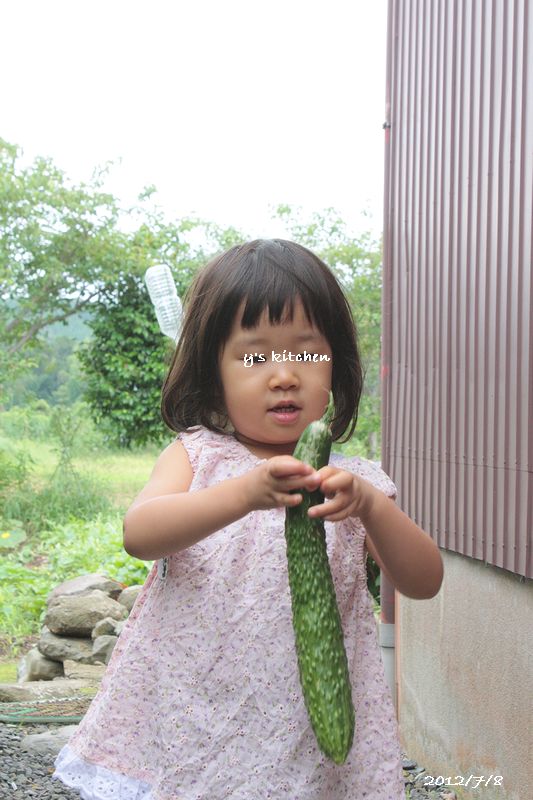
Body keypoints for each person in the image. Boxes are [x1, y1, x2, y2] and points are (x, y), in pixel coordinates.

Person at [53, 238, 443, 799]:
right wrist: (244, 493)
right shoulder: (198, 456)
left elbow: (423, 581)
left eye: (306, 354)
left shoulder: (353, 481)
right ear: (213, 372)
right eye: (255, 357)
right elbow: (139, 534)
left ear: (336, 366)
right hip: (193, 710)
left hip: (304, 727)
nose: (284, 375)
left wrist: (373, 507)